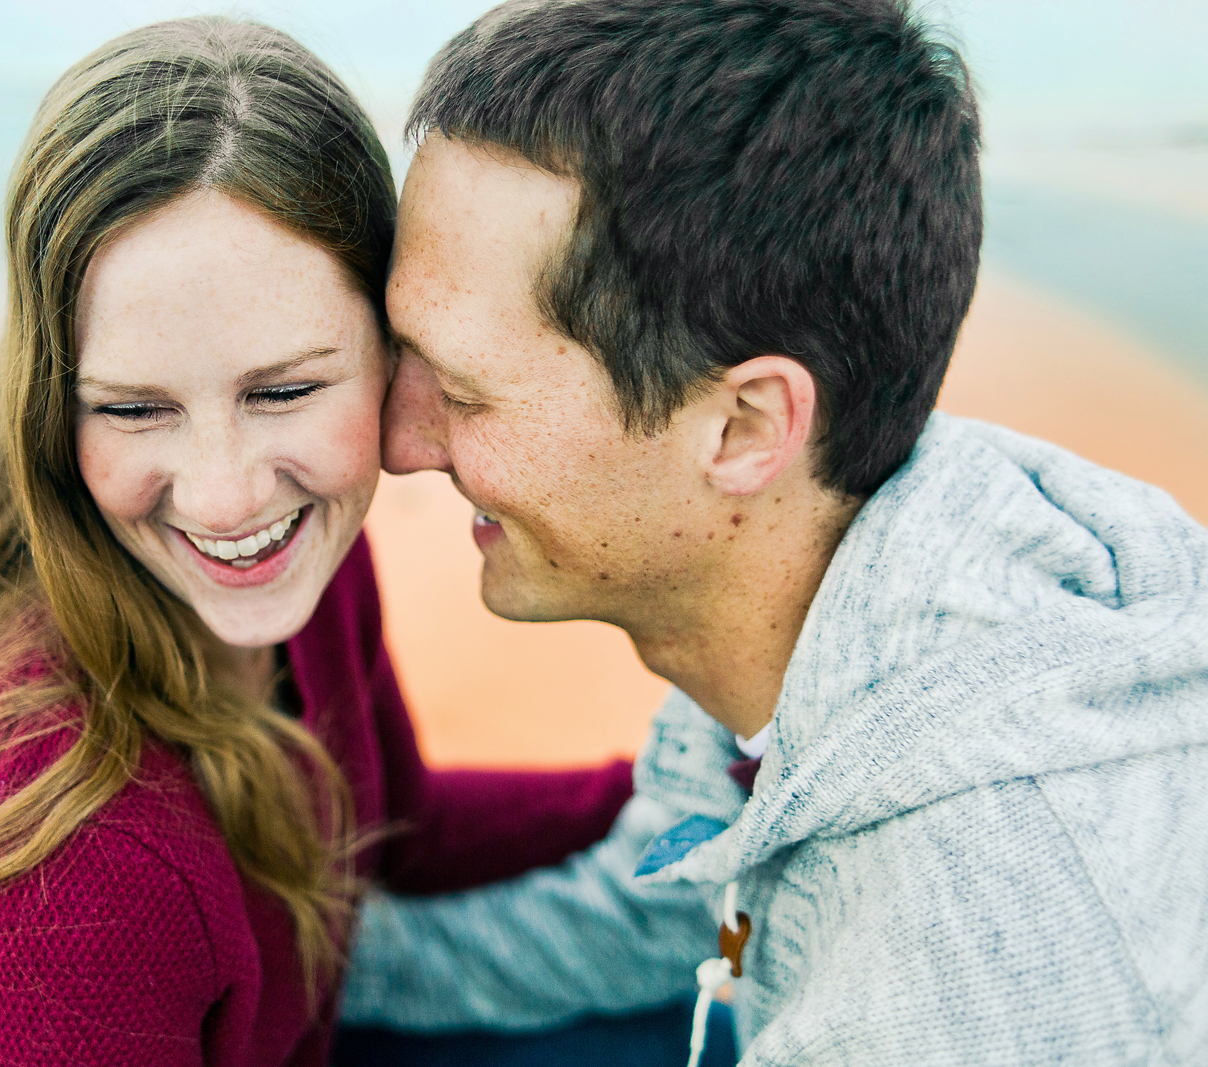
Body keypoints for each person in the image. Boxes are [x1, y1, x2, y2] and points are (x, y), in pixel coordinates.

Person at [338, 0, 1208, 1063]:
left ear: (743, 427)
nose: (397, 439)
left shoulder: (964, 987)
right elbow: (674, 910)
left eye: (463, 393)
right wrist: (297, 965)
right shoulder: (812, 602)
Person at [0, 18, 636, 1067]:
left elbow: (399, 827)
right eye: (135, 410)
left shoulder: (303, 557)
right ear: (54, 401)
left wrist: (662, 791)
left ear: (393, 342)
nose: (227, 496)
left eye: (282, 391)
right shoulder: (66, 863)